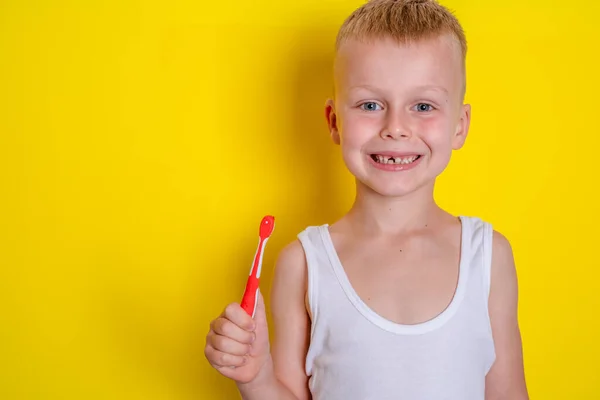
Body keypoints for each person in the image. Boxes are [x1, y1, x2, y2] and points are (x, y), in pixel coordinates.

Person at [204, 0, 529, 398]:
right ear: (334, 121)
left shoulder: (488, 257)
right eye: (371, 105)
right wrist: (256, 378)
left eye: (423, 106)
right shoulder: (302, 264)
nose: (395, 128)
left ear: (459, 126)